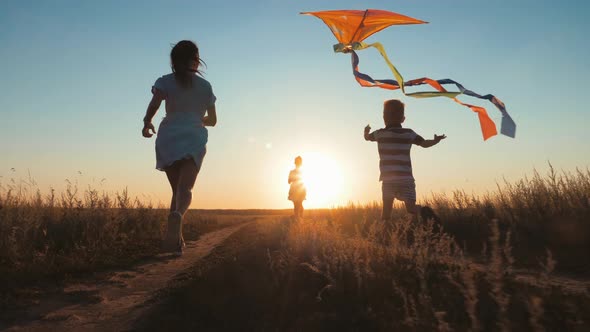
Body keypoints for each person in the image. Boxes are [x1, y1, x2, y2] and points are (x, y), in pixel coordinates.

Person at [142, 40, 217, 255]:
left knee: (176, 190)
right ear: (196, 60)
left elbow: (154, 105)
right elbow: (212, 120)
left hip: (169, 136)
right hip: (193, 136)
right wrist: (197, 118)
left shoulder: (165, 82)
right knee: (186, 190)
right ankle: (178, 217)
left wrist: (147, 122)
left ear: (173, 62)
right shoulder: (205, 87)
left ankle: (175, 242)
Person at [364, 99, 444, 224]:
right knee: (411, 209)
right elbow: (424, 144)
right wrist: (435, 141)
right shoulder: (408, 133)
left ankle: (387, 237)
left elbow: (367, 138)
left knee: (386, 213)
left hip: (388, 180)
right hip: (406, 179)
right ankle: (424, 215)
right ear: (403, 119)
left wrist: (366, 131)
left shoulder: (380, 134)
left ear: (384, 117)